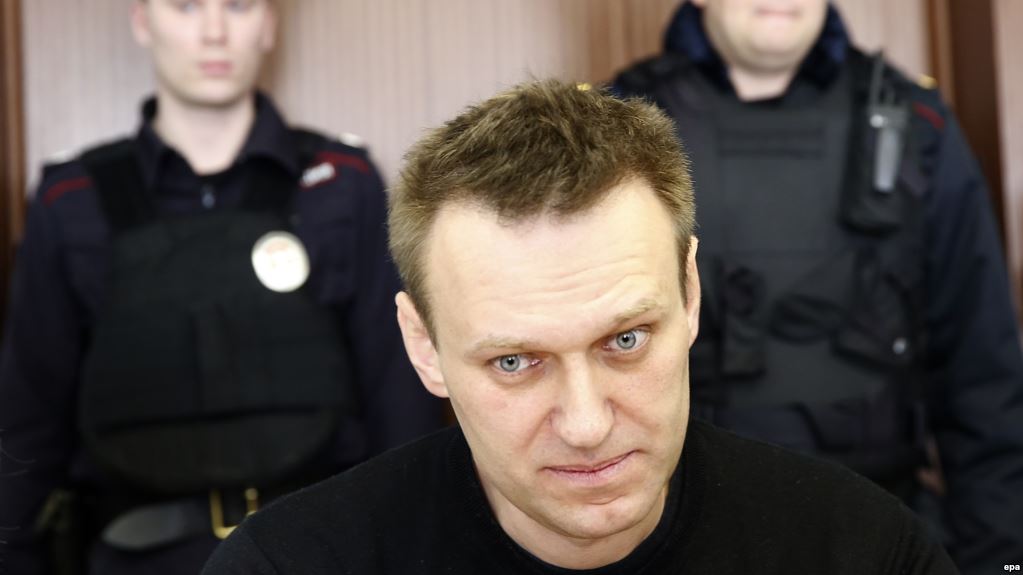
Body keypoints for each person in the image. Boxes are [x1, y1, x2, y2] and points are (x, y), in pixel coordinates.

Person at [201, 80, 957, 574]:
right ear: (423, 345)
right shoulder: (286, 568)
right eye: (514, 362)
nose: (587, 425)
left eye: (625, 341)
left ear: (690, 293)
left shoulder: (865, 553)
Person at [0, 1, 442, 573]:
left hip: (318, 551)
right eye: (186, 5)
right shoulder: (71, 202)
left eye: (237, 5)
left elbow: (400, 402)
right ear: (143, 20)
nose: (214, 31)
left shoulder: (341, 184)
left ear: (269, 24)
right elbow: (27, 425)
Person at [611, 2, 1023, 572]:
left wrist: (1001, 563)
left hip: (882, 537)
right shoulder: (617, 127)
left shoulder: (915, 123)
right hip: (682, 544)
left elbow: (985, 382)